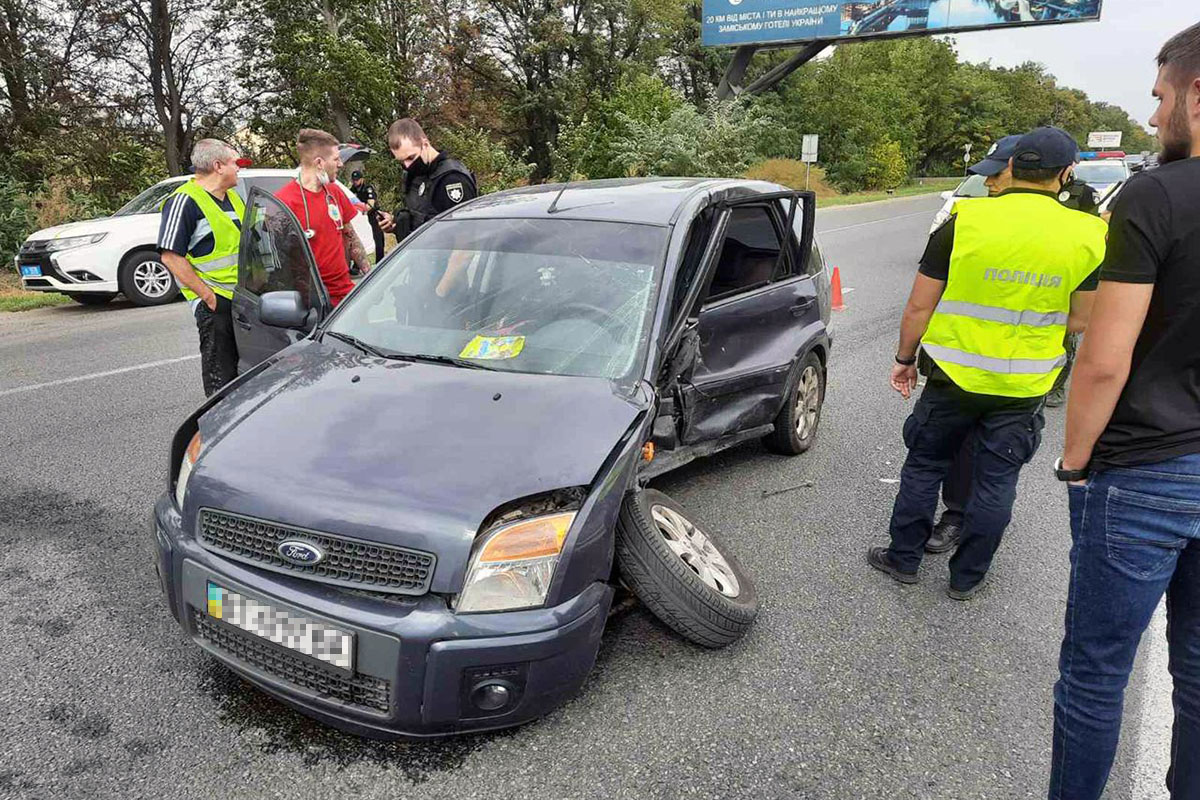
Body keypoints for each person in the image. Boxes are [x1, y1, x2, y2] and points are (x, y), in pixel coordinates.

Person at [1049, 23, 1200, 799]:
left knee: (1095, 673)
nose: (1152, 117)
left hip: (1146, 468)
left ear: (1197, 94)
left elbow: (1104, 360)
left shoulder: (1155, 194)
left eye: (1160, 97)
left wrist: (1075, 465)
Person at [867, 127, 1107, 600]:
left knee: (924, 465)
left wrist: (904, 359)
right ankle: (966, 577)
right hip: (1024, 385)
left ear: (1012, 167)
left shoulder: (964, 220)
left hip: (952, 376)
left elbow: (919, 306)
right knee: (997, 480)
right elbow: (1080, 320)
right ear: (1064, 175)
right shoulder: (1088, 233)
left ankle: (904, 559)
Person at [927, 136, 1095, 554]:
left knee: (997, 462)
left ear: (1016, 169)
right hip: (969, 362)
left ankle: (975, 532)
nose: (987, 184)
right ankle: (959, 519)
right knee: (967, 450)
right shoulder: (971, 214)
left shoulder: (1081, 211)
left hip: (1030, 360)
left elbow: (1081, 313)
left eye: (994, 175)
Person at [158, 139, 246, 396]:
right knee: (221, 375)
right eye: (235, 163)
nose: (239, 168)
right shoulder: (184, 201)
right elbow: (170, 256)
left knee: (247, 372)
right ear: (218, 166)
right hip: (215, 302)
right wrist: (208, 297)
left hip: (243, 298)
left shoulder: (234, 198)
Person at [378, 118, 478, 299]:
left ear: (425, 143)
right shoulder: (417, 175)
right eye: (401, 161)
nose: (407, 165)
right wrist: (396, 224)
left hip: (446, 285)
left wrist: (439, 293)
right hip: (419, 275)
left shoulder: (451, 180)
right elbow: (423, 219)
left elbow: (465, 248)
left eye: (411, 157)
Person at [274, 129, 371, 306]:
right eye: (336, 159)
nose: (341, 164)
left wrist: (368, 272)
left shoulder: (334, 192)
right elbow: (282, 262)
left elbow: (350, 235)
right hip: (313, 301)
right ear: (319, 163)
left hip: (345, 295)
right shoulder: (285, 202)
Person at [350, 169, 385, 264]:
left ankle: (380, 262)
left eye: (357, 180)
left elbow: (371, 204)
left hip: (373, 215)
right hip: (361, 216)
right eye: (354, 180)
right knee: (360, 239)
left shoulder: (367, 188)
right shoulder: (353, 189)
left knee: (378, 239)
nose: (355, 182)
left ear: (362, 179)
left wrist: (361, 209)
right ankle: (357, 265)